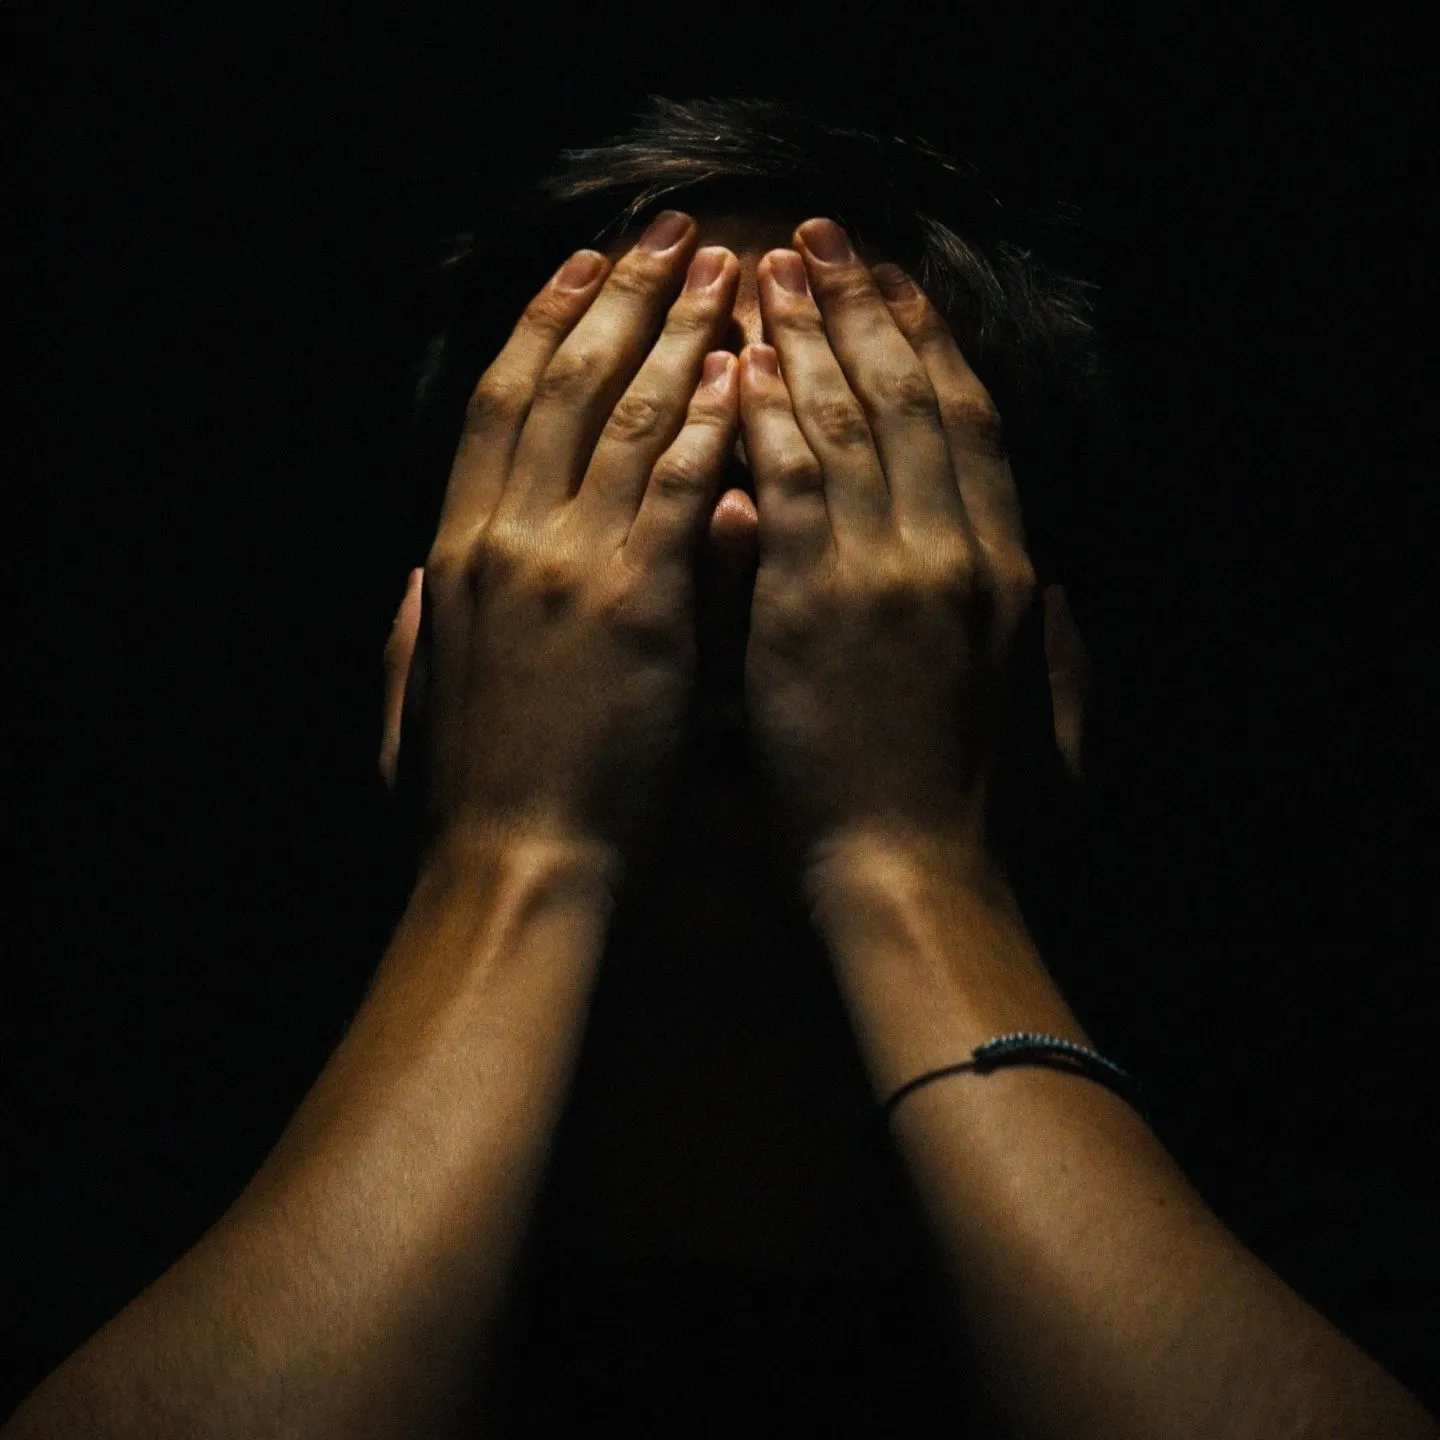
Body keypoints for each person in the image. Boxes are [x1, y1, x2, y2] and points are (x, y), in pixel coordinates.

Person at [5, 97, 1434, 1439]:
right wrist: (514, 858)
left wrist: (913, 875)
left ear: (1045, 666)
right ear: (430, 649)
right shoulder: (114, 1215)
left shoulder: (1332, 1222)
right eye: (618, 464)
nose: (734, 537)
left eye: (843, 465)